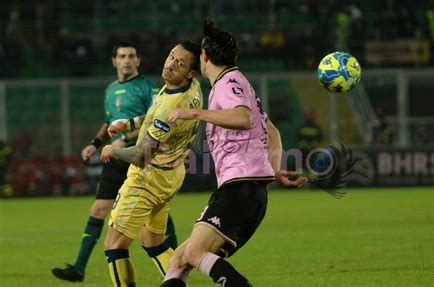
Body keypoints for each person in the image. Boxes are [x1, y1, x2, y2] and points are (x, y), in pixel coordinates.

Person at [161, 19, 306, 287]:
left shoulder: (228, 83)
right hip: (251, 191)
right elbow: (271, 129)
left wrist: (193, 113)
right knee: (179, 260)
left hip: (238, 188)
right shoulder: (240, 82)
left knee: (193, 253)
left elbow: (242, 117)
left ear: (204, 57)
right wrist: (274, 170)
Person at [51, 41, 178, 282]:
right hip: (115, 156)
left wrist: (124, 139)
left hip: (140, 156)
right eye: (122, 56)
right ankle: (78, 268)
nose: (127, 60)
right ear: (114, 61)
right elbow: (108, 121)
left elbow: (154, 121)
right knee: (99, 209)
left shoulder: (147, 87)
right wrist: (94, 144)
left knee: (156, 212)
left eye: (131, 55)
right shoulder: (110, 89)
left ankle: (176, 265)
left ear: (138, 60)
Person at [100, 40, 203, 286]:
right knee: (154, 242)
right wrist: (130, 124)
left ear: (191, 71)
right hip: (172, 173)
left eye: (180, 63)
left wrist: (113, 150)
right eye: (171, 56)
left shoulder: (172, 105)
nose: (171, 64)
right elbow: (156, 112)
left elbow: (139, 155)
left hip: (148, 177)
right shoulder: (192, 87)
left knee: (114, 246)